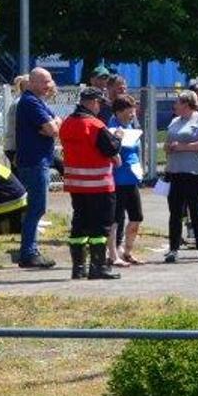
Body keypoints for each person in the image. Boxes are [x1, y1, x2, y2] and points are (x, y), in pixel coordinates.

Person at [58, 87, 121, 280]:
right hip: (99, 184)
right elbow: (111, 148)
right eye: (99, 103)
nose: (100, 107)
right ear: (93, 102)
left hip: (76, 185)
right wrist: (118, 137)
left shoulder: (66, 123)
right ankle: (97, 267)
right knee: (100, 227)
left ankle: (78, 268)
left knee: (79, 224)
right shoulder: (95, 125)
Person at [12, 68, 61, 268]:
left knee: (36, 208)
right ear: (31, 82)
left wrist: (53, 125)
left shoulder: (38, 102)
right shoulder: (30, 102)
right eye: (44, 82)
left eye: (50, 81)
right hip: (34, 162)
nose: (49, 85)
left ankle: (30, 250)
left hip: (39, 161)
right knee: (36, 208)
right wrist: (52, 125)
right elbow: (53, 129)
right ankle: (29, 253)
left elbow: (55, 125)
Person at [163, 90, 198, 263]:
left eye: (177, 102)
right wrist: (168, 147)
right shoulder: (175, 121)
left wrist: (183, 147)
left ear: (186, 104)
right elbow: (167, 143)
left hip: (195, 172)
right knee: (175, 212)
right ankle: (173, 249)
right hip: (175, 171)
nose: (175, 105)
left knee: (196, 210)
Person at [106, 96, 146, 266]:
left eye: (134, 111)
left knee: (137, 217)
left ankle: (127, 252)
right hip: (117, 179)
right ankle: (113, 254)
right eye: (130, 112)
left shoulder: (131, 127)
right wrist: (117, 139)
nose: (133, 115)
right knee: (116, 219)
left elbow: (136, 151)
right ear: (119, 112)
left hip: (131, 178)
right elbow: (109, 150)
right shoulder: (112, 127)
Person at [2, 75, 27, 168]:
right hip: (15, 147)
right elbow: (19, 128)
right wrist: (18, 151)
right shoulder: (21, 103)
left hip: (15, 146)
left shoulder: (22, 101)